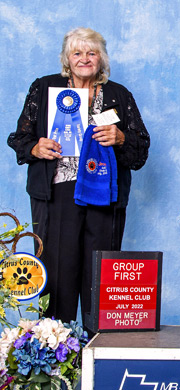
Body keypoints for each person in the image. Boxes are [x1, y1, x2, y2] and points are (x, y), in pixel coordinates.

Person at [7, 27, 150, 330]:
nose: (84, 58)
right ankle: (57, 348)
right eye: (77, 53)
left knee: (101, 277)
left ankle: (100, 346)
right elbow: (19, 138)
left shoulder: (118, 95)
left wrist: (122, 137)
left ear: (102, 59)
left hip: (105, 196)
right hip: (56, 195)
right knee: (58, 275)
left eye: (92, 52)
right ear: (67, 59)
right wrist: (35, 146)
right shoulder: (44, 89)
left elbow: (140, 150)